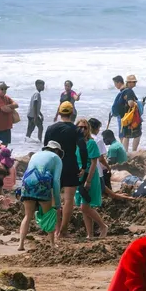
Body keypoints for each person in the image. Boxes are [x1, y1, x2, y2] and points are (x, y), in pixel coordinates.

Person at [44, 100, 90, 239]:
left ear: (59, 113)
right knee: (68, 200)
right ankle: (63, 231)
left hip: (53, 164)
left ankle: (56, 229)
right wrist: (83, 167)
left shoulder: (51, 128)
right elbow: (83, 148)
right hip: (70, 165)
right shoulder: (76, 130)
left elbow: (45, 146)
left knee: (54, 199)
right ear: (72, 113)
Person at [17, 138, 62, 252]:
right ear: (57, 151)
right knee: (49, 214)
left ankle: (21, 244)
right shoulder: (56, 158)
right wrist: (57, 202)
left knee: (27, 215)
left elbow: (28, 171)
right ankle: (52, 243)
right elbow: (56, 181)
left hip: (27, 181)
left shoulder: (35, 155)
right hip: (41, 182)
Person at [75, 117, 109, 240]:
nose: (82, 129)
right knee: (84, 207)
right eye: (80, 127)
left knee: (85, 206)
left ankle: (103, 226)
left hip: (89, 175)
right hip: (78, 176)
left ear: (88, 129)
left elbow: (94, 162)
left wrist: (88, 180)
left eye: (85, 127)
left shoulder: (91, 143)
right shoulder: (76, 143)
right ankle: (90, 234)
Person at [118, 76, 142, 153]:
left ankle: (125, 153)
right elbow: (130, 103)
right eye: (134, 82)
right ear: (129, 82)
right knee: (137, 134)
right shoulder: (129, 91)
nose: (135, 83)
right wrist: (138, 103)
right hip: (131, 117)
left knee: (126, 135)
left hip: (125, 117)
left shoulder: (123, 90)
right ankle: (134, 151)